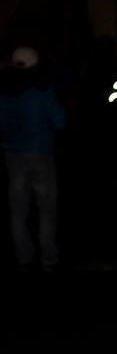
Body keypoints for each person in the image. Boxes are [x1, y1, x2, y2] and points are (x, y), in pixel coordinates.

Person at [0, 46, 65, 273]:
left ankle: (23, 257)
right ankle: (49, 258)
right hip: (40, 156)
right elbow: (60, 121)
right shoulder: (41, 92)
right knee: (46, 210)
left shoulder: (3, 93)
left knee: (18, 210)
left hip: (12, 156)